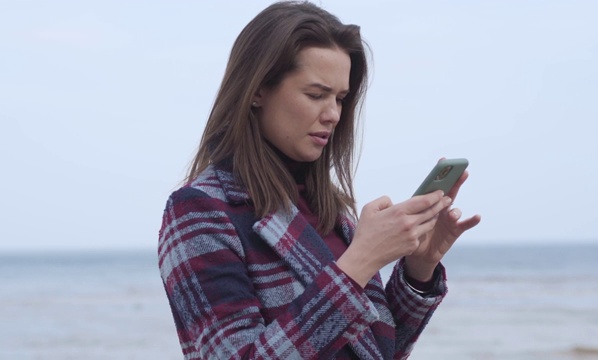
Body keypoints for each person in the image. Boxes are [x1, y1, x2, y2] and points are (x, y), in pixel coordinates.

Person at [158, 1, 481, 359]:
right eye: (316, 95)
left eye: (341, 98)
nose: (333, 115)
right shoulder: (200, 210)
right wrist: (359, 262)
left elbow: (376, 351)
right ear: (257, 90)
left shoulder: (331, 209)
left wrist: (419, 270)